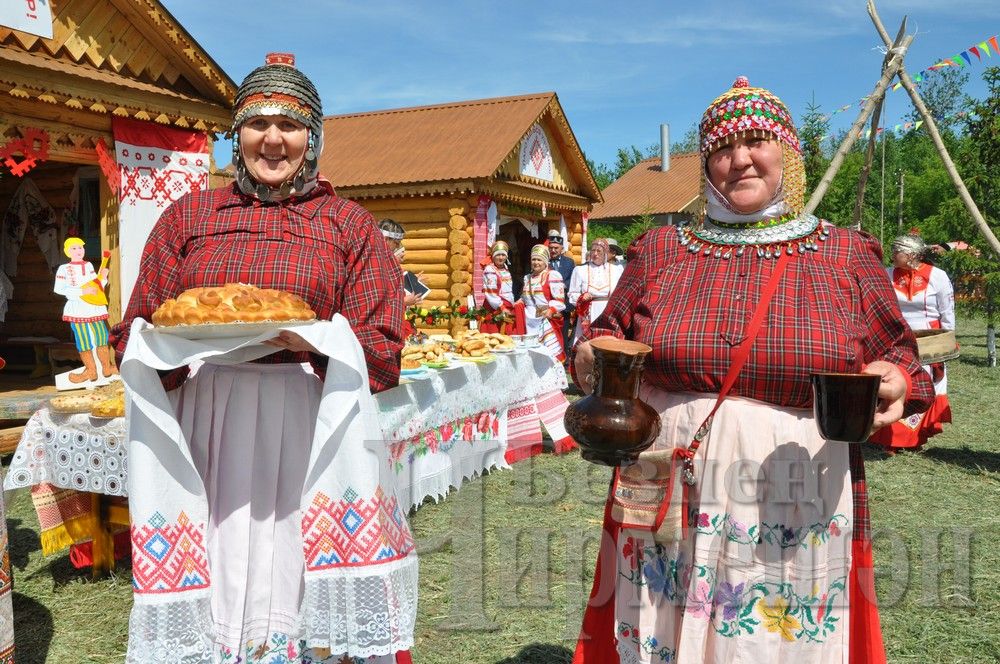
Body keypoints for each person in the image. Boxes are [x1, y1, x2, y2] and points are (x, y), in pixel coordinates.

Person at [571, 76, 933, 664]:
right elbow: (604, 335)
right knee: (661, 624)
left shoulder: (843, 251)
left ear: (787, 153)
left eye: (756, 141)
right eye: (721, 147)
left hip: (796, 483)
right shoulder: (661, 251)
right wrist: (592, 353)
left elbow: (900, 355)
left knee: (771, 636)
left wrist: (894, 379)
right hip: (667, 477)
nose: (739, 159)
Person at [110, 53, 413, 663]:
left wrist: (317, 343)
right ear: (236, 134)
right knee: (218, 554)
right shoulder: (190, 217)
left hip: (311, 419)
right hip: (210, 417)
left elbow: (382, 351)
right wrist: (169, 350)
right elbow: (136, 331)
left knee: (296, 559)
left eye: (291, 124)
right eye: (256, 122)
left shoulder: (347, 225)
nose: (273, 139)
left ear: (314, 136)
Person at [870, 234, 954, 451]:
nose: (892, 254)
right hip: (898, 341)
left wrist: (948, 340)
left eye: (897, 250)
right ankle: (892, 438)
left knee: (923, 384)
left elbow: (947, 312)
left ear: (912, 254)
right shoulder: (887, 274)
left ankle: (916, 438)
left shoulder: (937, 276)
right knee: (899, 384)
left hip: (930, 342)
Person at [54, 237, 116, 382]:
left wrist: (103, 279)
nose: (78, 251)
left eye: (80, 248)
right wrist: (82, 292)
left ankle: (106, 367)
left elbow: (95, 285)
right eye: (74, 248)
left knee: (102, 335)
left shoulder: (88, 265)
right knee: (82, 338)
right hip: (77, 307)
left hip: (94, 306)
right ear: (67, 251)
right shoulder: (64, 269)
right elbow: (59, 288)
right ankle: (90, 371)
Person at [567, 238, 623, 345]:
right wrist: (582, 297)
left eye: (599, 251)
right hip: (588, 311)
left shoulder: (617, 270)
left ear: (606, 253)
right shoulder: (580, 270)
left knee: (607, 343)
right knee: (587, 343)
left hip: (608, 310)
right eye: (593, 250)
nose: (595, 254)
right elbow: (572, 293)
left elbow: (621, 292)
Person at [522, 244, 566, 361]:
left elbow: (560, 301)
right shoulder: (527, 278)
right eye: (533, 259)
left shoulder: (552, 275)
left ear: (545, 261)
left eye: (539, 260)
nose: (536, 262)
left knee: (547, 353)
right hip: (529, 319)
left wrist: (550, 310)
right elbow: (525, 298)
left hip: (545, 318)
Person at [547, 229, 577, 352]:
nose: (553, 250)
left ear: (561, 248)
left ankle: (564, 360)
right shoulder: (543, 261)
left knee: (563, 332)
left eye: (556, 248)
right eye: (551, 248)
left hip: (563, 304)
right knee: (548, 332)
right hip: (547, 303)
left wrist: (560, 285)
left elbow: (572, 280)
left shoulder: (569, 262)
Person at [480, 240, 517, 333]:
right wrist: (501, 307)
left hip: (507, 306)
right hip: (495, 308)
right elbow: (491, 293)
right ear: (493, 256)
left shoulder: (505, 269)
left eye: (503, 255)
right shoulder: (490, 270)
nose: (501, 258)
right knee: (494, 335)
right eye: (498, 255)